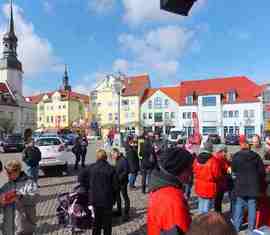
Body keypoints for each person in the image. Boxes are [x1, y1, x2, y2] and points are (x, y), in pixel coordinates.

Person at [147, 147, 192, 235]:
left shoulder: (162, 188)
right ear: (179, 169)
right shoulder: (172, 200)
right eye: (189, 168)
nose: (192, 172)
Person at [78, 149, 119, 235]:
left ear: (97, 157)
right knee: (107, 224)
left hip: (95, 200)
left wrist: (86, 186)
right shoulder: (111, 169)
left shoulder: (91, 167)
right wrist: (114, 199)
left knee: (96, 223)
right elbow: (116, 187)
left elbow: (80, 176)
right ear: (106, 157)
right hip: (107, 200)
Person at [232, 135, 266, 235]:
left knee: (239, 206)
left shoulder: (236, 156)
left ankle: (236, 228)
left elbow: (233, 170)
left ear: (241, 146)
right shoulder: (256, 157)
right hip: (253, 186)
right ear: (249, 146)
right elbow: (261, 172)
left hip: (240, 185)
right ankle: (250, 229)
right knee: (252, 207)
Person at [0, 160, 38, 235]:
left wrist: (20, 197)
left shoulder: (29, 183)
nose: (8, 175)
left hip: (25, 224)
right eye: (7, 172)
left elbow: (34, 198)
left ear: (17, 171)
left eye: (10, 173)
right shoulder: (6, 186)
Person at [193, 142, 222, 214]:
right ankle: (205, 223)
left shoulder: (197, 159)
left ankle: (199, 222)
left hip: (199, 185)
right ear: (211, 149)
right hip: (209, 186)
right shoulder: (213, 160)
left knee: (201, 205)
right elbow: (217, 175)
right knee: (207, 208)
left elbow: (194, 170)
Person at [111, 148, 130, 221]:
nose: (112, 157)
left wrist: (119, 178)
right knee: (117, 196)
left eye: (113, 155)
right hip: (117, 182)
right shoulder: (118, 159)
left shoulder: (123, 160)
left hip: (123, 182)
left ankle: (126, 213)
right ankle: (119, 211)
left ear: (116, 153)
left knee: (125, 196)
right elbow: (117, 168)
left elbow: (126, 171)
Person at [213, 144, 230, 213]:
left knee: (217, 201)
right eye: (225, 151)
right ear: (221, 151)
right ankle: (218, 215)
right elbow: (226, 168)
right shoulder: (220, 158)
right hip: (220, 183)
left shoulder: (216, 157)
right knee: (218, 200)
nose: (226, 153)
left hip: (219, 182)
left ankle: (218, 213)